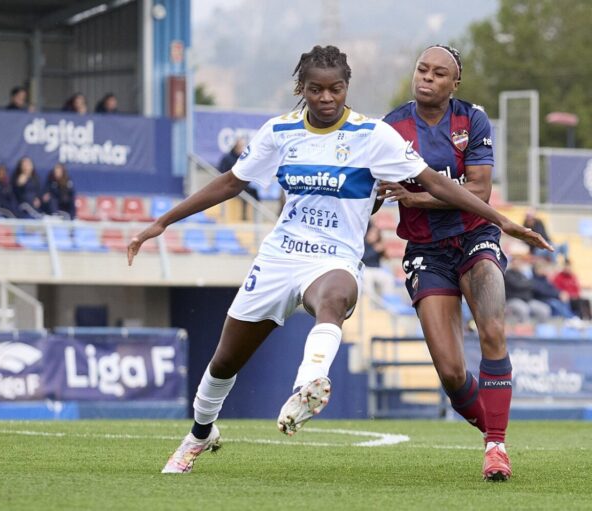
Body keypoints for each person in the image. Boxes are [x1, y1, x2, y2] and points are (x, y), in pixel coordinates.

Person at [126, 45, 549, 475]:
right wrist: (162, 222)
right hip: (281, 257)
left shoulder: (374, 135)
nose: (327, 98)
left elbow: (434, 182)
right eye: (316, 90)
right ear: (302, 89)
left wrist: (501, 221)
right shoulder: (280, 132)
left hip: (338, 256)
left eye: (336, 89)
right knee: (225, 361)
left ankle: (308, 384)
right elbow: (230, 183)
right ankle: (200, 433)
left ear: (348, 88)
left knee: (335, 299)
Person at [380, 45, 530, 481]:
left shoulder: (472, 119)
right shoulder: (391, 127)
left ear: (454, 83)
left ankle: (496, 447)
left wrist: (415, 198)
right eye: (422, 69)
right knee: (449, 371)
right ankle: (493, 434)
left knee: (493, 328)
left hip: (475, 238)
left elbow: (479, 192)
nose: (427, 78)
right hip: (426, 251)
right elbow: (375, 188)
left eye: (438, 73)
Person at [218, 137, 260, 221]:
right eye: (240, 146)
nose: (242, 148)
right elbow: (221, 171)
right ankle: (242, 217)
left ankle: (255, 218)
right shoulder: (227, 158)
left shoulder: (242, 158)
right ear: (235, 146)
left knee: (254, 192)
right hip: (230, 183)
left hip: (240, 183)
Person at [504, 252, 552, 323]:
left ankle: (540, 331)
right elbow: (518, 285)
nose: (518, 263)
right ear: (512, 262)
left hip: (527, 300)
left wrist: (526, 284)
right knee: (524, 309)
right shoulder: (507, 274)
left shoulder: (523, 274)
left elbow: (531, 285)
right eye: (516, 261)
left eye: (519, 261)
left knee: (545, 309)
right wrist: (528, 284)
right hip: (512, 301)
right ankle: (524, 332)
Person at [361, 220, 396, 298]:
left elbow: (387, 258)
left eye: (375, 234)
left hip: (377, 269)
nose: (373, 235)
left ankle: (388, 301)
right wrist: (374, 250)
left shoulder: (378, 244)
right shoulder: (363, 243)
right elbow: (363, 258)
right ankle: (370, 302)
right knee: (367, 278)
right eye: (371, 233)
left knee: (388, 279)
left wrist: (383, 250)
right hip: (366, 269)